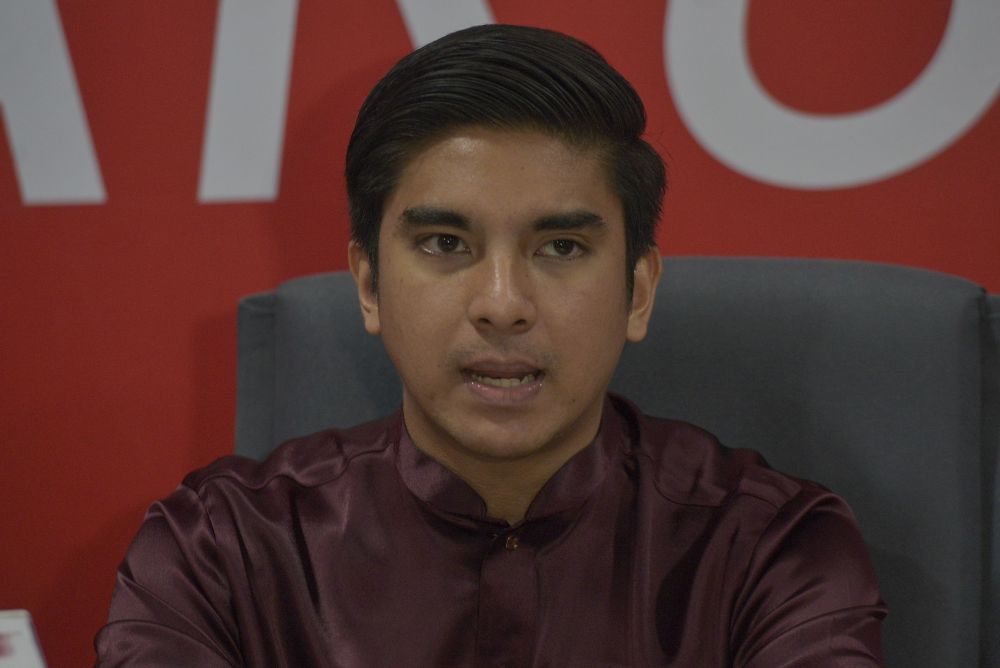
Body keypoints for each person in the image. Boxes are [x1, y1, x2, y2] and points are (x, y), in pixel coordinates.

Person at [95, 24, 886, 666]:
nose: (503, 305)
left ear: (638, 292)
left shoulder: (771, 552)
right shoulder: (217, 551)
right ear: (368, 286)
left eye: (562, 249)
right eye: (444, 243)